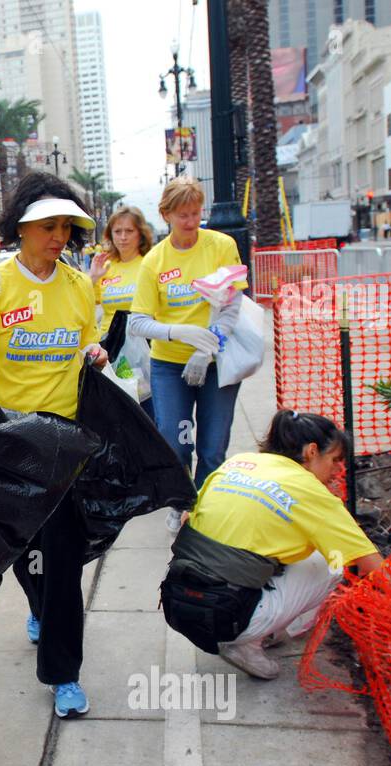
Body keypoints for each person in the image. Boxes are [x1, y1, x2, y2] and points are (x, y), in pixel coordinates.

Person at [0, 173, 110, 719]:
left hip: (65, 445)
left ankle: (63, 674)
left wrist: (94, 353)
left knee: (65, 561)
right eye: (47, 225)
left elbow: (83, 339)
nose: (58, 235)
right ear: (20, 225)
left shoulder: (77, 285)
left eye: (65, 226)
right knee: (26, 553)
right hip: (11, 444)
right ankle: (36, 600)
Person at [162, 411, 382, 679]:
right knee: (333, 562)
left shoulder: (239, 463)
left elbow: (186, 518)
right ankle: (253, 641)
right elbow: (373, 566)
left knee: (271, 546)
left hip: (177, 603)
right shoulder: (310, 491)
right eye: (335, 460)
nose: (338, 470)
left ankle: (262, 626)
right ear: (312, 451)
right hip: (227, 618)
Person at [129, 176, 251, 534]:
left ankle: (203, 508)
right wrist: (178, 332)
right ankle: (180, 500)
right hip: (169, 366)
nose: (191, 222)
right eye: (182, 214)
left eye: (196, 213)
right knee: (176, 443)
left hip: (217, 361)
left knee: (213, 448)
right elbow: (138, 321)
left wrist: (209, 343)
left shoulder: (221, 245)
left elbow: (233, 303)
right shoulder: (155, 261)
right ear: (166, 214)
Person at [90, 204, 157, 419]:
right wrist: (92, 278)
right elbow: (87, 304)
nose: (123, 237)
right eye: (117, 231)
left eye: (129, 231)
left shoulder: (150, 263)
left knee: (148, 410)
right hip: (112, 350)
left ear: (141, 233)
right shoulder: (106, 266)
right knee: (121, 413)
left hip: (144, 348)